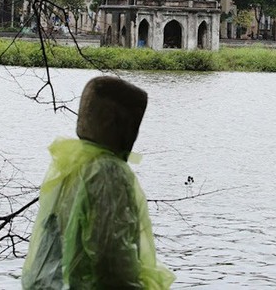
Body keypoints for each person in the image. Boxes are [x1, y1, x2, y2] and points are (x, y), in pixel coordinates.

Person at [22, 76, 174, 290]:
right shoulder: (107, 173)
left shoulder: (69, 165)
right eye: (134, 123)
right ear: (111, 121)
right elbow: (111, 261)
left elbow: (47, 254)